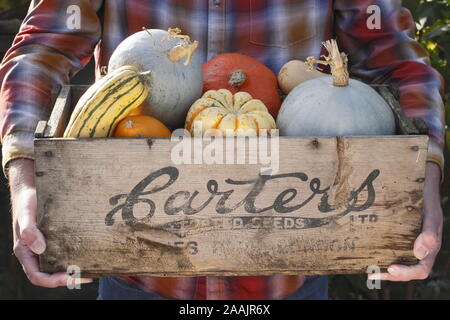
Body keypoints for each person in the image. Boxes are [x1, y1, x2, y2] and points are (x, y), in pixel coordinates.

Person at [0, 0, 444, 300]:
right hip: (136, 271)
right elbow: (42, 50)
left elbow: (395, 58)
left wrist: (422, 172)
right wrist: (24, 170)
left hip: (289, 272)